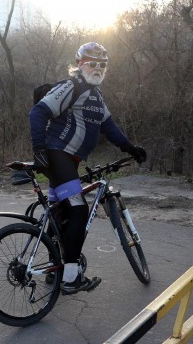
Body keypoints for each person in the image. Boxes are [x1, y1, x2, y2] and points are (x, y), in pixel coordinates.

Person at [28, 42, 147, 295]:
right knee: (79, 210)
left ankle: (54, 272)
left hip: (68, 161)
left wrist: (131, 148)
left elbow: (110, 128)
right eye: (92, 64)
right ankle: (71, 278)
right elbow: (38, 113)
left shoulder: (95, 96)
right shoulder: (72, 86)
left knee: (60, 215)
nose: (97, 68)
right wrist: (39, 150)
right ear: (80, 65)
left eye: (102, 65)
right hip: (58, 155)